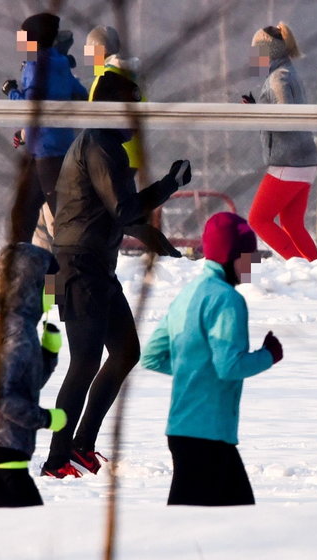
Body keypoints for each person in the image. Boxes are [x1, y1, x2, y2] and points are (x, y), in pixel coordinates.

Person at [41, 71, 191, 478]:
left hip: (96, 267)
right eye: (130, 108)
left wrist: (149, 233)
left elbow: (115, 212)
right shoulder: (99, 145)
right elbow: (124, 209)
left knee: (125, 353)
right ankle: (56, 459)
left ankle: (82, 446)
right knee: (85, 362)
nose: (135, 117)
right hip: (78, 267)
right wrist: (169, 185)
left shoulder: (105, 144)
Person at [141, 212, 283, 506]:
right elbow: (229, 366)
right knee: (200, 528)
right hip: (208, 435)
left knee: (231, 520)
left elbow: (152, 357)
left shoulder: (188, 294)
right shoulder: (227, 300)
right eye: (250, 254)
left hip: (184, 430)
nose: (255, 261)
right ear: (232, 256)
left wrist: (194, 371)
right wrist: (268, 356)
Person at [0, 243, 66, 507]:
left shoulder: (13, 323)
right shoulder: (16, 329)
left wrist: (47, 355)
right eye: (50, 284)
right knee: (29, 538)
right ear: (30, 284)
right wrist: (45, 418)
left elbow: (23, 385)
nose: (53, 293)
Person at [3, 12, 88, 244]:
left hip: (45, 150)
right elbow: (80, 94)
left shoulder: (34, 66)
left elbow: (31, 106)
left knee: (50, 219)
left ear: (33, 38)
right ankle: (38, 274)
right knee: (26, 213)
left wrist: (10, 91)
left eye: (23, 36)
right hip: (55, 147)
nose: (20, 41)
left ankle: (49, 273)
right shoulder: (61, 63)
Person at [243, 22, 317, 261]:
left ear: (267, 53)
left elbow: (285, 117)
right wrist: (258, 109)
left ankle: (298, 266)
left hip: (289, 161)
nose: (252, 57)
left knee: (258, 219)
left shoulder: (278, 78)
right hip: (306, 160)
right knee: (292, 223)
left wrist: (257, 115)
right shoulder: (288, 72)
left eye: (256, 51)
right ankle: (316, 270)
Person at [85, 25, 145, 174]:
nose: (88, 56)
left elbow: (95, 119)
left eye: (89, 50)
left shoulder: (108, 78)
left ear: (99, 50)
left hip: (113, 153)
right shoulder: (128, 75)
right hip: (132, 152)